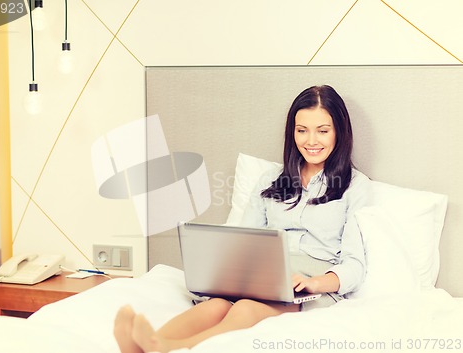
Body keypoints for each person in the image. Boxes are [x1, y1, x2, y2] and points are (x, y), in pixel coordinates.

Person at [113, 85, 371, 353]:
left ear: (339, 132)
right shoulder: (270, 180)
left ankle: (165, 347)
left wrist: (313, 282)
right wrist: (223, 274)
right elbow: (242, 240)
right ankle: (144, 344)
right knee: (216, 305)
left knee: (245, 308)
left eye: (323, 130)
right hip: (262, 280)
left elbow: (354, 264)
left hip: (312, 287)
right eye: (302, 130)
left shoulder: (356, 186)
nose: (311, 140)